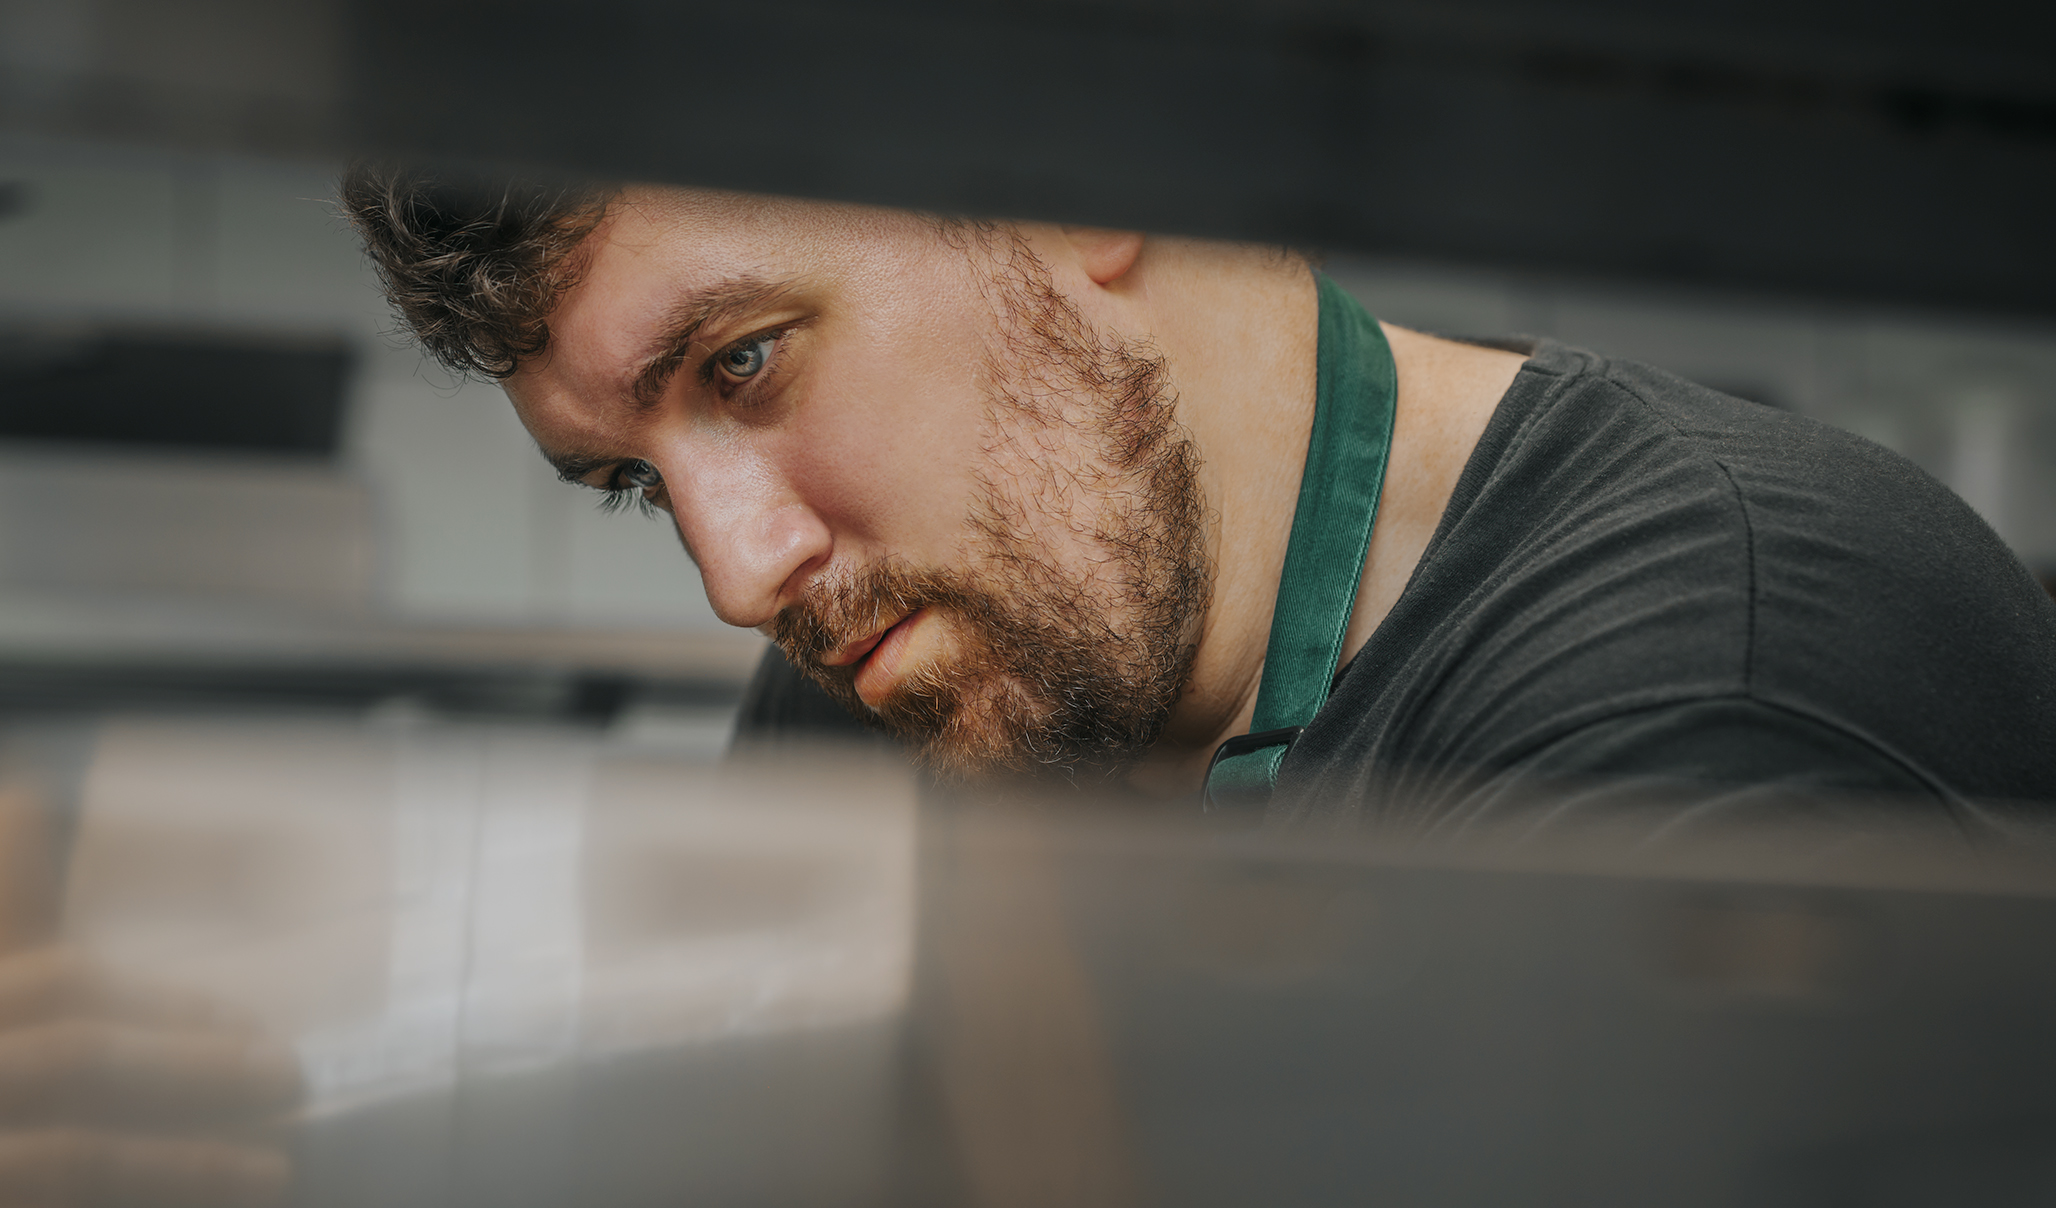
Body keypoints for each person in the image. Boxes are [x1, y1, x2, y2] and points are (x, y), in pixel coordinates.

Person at [340, 167, 2056, 828]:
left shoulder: (1715, 682)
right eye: (636, 489)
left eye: (744, 365)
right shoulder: (910, 687)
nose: (742, 575)